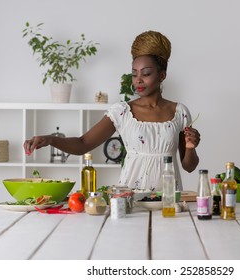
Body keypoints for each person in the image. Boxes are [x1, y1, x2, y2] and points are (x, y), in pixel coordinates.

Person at [23, 30, 201, 190]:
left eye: (146, 73)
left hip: (169, 201)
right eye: (134, 73)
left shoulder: (179, 112)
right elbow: (83, 144)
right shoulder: (122, 111)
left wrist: (190, 147)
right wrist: (49, 139)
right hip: (130, 199)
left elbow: (189, 166)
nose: (138, 79)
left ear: (162, 75)